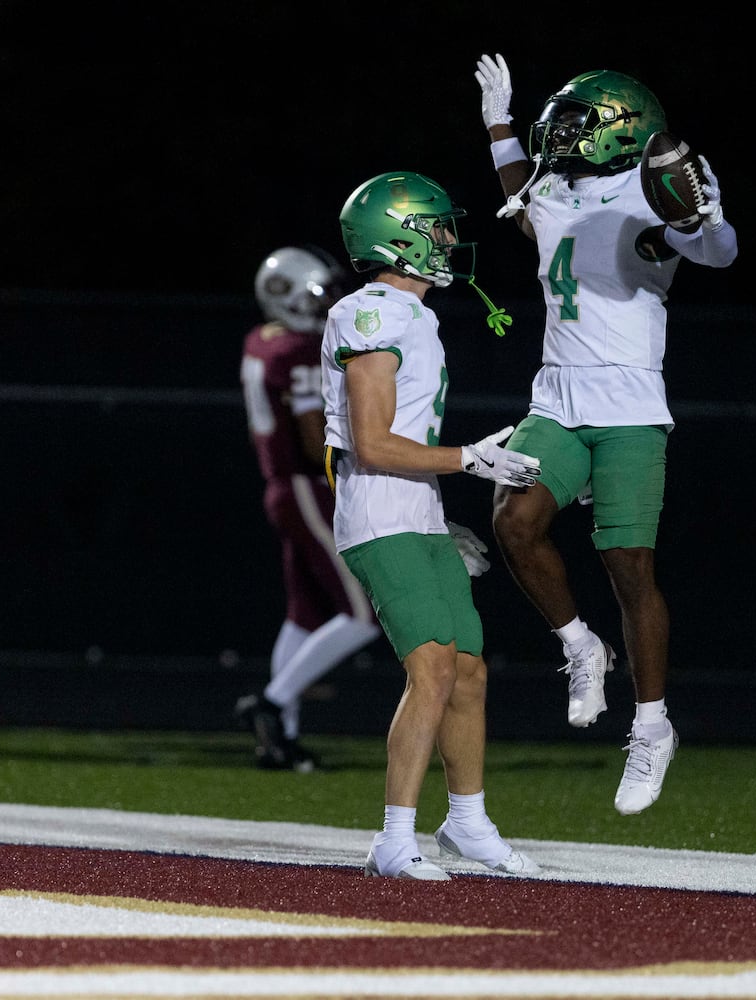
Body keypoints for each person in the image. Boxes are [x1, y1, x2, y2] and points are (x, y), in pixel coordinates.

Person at [471, 55, 738, 815]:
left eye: (575, 124)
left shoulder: (649, 184)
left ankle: (651, 726)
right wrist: (496, 119)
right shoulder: (558, 184)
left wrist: (702, 221)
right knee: (512, 523)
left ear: (619, 130)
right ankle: (578, 645)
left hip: (626, 406)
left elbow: (713, 251)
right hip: (555, 398)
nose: (559, 136)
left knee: (628, 566)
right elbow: (524, 204)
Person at [322, 170, 543, 880]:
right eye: (438, 227)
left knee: (470, 669)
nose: (449, 239)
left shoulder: (413, 313)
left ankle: (468, 823)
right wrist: (470, 461)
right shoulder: (371, 313)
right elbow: (369, 441)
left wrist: (437, 510)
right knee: (432, 668)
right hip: (378, 518)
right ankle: (392, 837)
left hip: (413, 512)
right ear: (403, 234)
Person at [235, 245, 383, 771]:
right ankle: (272, 706)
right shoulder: (295, 349)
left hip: (283, 487)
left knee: (304, 614)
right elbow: (309, 433)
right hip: (304, 485)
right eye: (317, 295)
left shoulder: (263, 339)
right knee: (366, 612)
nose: (327, 304)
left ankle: (280, 738)